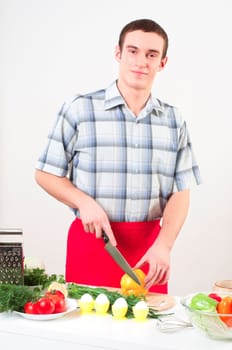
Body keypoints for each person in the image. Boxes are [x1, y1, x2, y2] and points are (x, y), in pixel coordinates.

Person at [35, 18, 202, 294]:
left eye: (151, 55)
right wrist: (83, 202)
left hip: (149, 253)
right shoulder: (79, 109)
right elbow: (44, 173)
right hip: (92, 245)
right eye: (133, 51)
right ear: (118, 53)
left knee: (145, 332)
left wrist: (165, 245)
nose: (141, 62)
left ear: (163, 62)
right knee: (87, 332)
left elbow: (181, 193)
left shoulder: (174, 120)